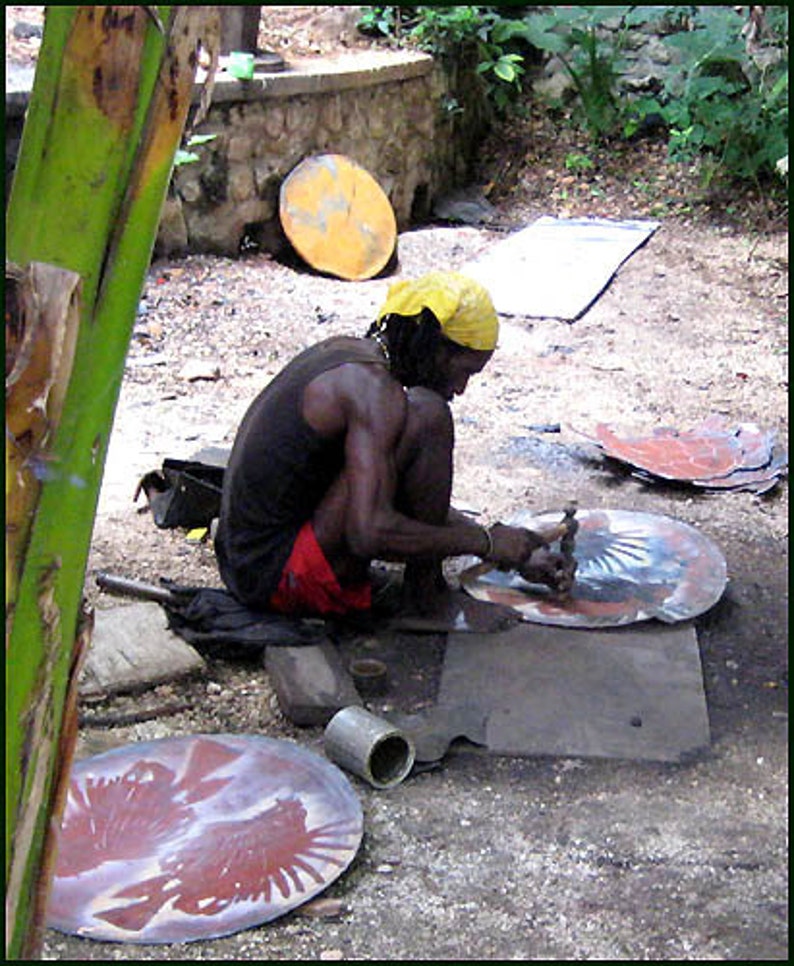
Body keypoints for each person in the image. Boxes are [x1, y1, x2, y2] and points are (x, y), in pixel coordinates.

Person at [214, 271, 575, 630]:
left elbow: (386, 496)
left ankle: (426, 591)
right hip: (277, 578)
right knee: (431, 415)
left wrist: (512, 546)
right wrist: (486, 544)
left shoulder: (352, 357)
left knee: (420, 415)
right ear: (433, 346)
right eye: (463, 370)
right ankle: (424, 601)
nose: (461, 388)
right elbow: (368, 531)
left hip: (245, 564)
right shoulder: (374, 392)